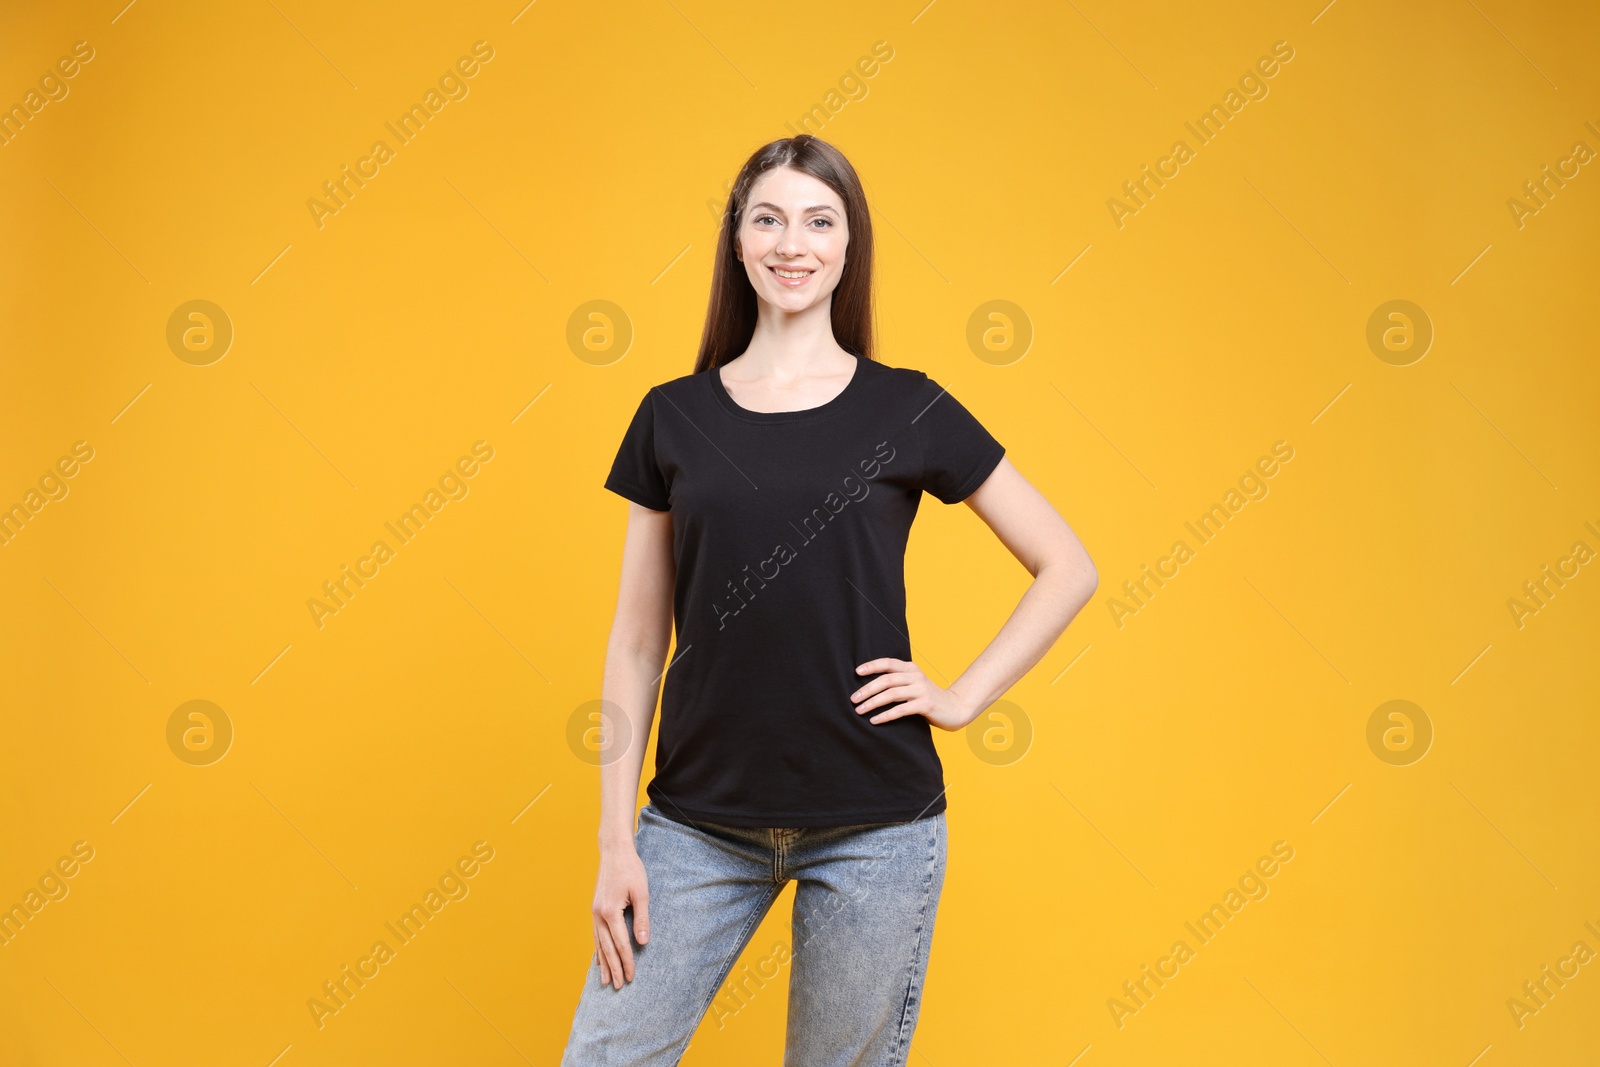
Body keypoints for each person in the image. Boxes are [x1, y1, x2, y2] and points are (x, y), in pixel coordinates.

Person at [561, 134, 1098, 1066]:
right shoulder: (672, 415)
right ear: (737, 240)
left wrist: (961, 696)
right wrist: (616, 842)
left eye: (820, 221)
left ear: (851, 248)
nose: (792, 243)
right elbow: (638, 642)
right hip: (694, 823)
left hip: (876, 827)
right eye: (767, 218)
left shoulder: (909, 407)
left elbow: (1067, 564)